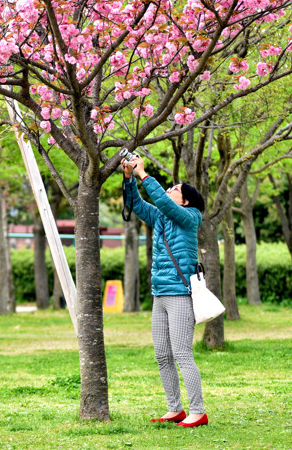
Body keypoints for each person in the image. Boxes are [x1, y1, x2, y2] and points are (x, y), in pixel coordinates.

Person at [122, 155, 209, 428]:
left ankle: (198, 411)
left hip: (181, 293)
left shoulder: (189, 217)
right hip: (159, 293)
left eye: (175, 189)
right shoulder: (161, 216)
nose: (169, 191)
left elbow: (160, 200)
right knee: (162, 354)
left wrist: (143, 174)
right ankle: (175, 409)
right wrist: (128, 178)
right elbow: (136, 204)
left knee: (182, 353)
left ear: (185, 201)